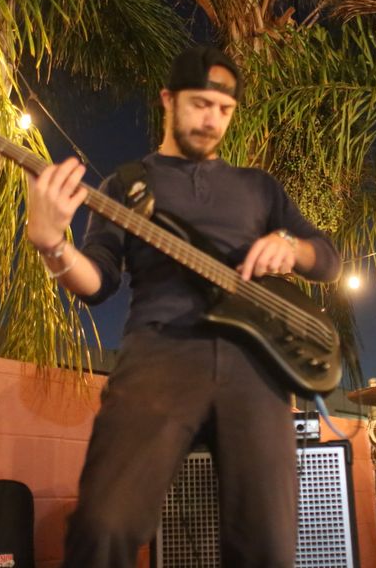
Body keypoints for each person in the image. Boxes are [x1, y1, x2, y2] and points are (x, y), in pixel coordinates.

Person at [26, 46, 341, 568]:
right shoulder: (127, 184)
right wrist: (52, 245)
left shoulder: (259, 188)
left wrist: (291, 246)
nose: (212, 120)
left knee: (269, 543)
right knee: (103, 525)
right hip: (160, 348)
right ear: (168, 100)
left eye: (224, 110)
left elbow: (327, 259)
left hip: (256, 364)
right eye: (200, 104)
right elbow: (98, 281)